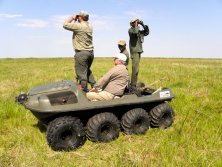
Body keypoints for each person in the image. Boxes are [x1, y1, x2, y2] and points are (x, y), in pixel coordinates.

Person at [63, 11, 96, 92]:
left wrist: (73, 17)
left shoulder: (79, 26)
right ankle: (95, 86)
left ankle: (83, 91)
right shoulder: (89, 26)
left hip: (82, 53)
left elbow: (65, 25)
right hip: (90, 53)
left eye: (78, 16)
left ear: (80, 17)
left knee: (81, 73)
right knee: (86, 70)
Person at [128, 18, 149, 88]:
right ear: (131, 24)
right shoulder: (130, 30)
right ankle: (132, 85)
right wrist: (137, 25)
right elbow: (135, 31)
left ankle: (134, 84)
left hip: (139, 51)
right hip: (134, 52)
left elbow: (146, 32)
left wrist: (142, 24)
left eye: (136, 22)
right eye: (134, 22)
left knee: (137, 69)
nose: (135, 23)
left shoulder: (138, 31)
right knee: (135, 69)